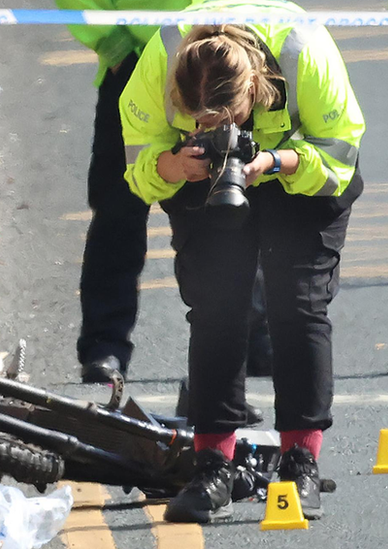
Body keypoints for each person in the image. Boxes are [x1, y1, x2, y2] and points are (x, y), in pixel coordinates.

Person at [120, 0, 365, 522]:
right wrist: (173, 163)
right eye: (200, 121)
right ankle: (213, 465)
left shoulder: (304, 51)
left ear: (254, 88)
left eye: (227, 120)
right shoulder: (161, 58)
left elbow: (341, 157)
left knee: (297, 306)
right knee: (216, 308)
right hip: (199, 180)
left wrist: (275, 161)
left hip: (298, 170)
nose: (217, 130)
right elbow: (138, 166)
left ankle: (300, 460)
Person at [55, 0, 274, 384]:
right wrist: (115, 47)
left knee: (231, 204)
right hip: (138, 60)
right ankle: (105, 345)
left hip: (212, 62)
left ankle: (255, 340)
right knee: (118, 210)